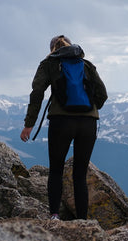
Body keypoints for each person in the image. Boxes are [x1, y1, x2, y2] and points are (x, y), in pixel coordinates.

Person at [20, 35, 107, 220]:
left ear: (52, 49)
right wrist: (90, 108)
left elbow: (37, 93)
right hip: (88, 123)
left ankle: (54, 216)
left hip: (61, 122)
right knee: (80, 174)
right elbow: (103, 93)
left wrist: (29, 124)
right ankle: (82, 221)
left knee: (56, 170)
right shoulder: (86, 64)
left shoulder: (49, 64)